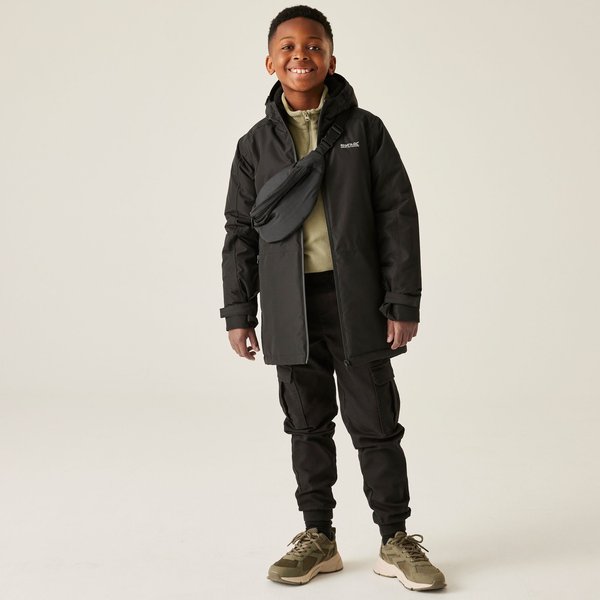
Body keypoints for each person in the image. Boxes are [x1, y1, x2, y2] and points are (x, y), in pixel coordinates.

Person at [219, 4, 446, 592]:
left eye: (314, 45)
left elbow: (398, 216)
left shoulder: (365, 131)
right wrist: (240, 312)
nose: (302, 55)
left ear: (332, 59)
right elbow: (240, 234)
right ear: (270, 62)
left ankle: (395, 538)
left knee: (376, 424)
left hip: (360, 303)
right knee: (306, 424)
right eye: (289, 47)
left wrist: (403, 300)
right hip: (288, 307)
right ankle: (317, 536)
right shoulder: (253, 146)